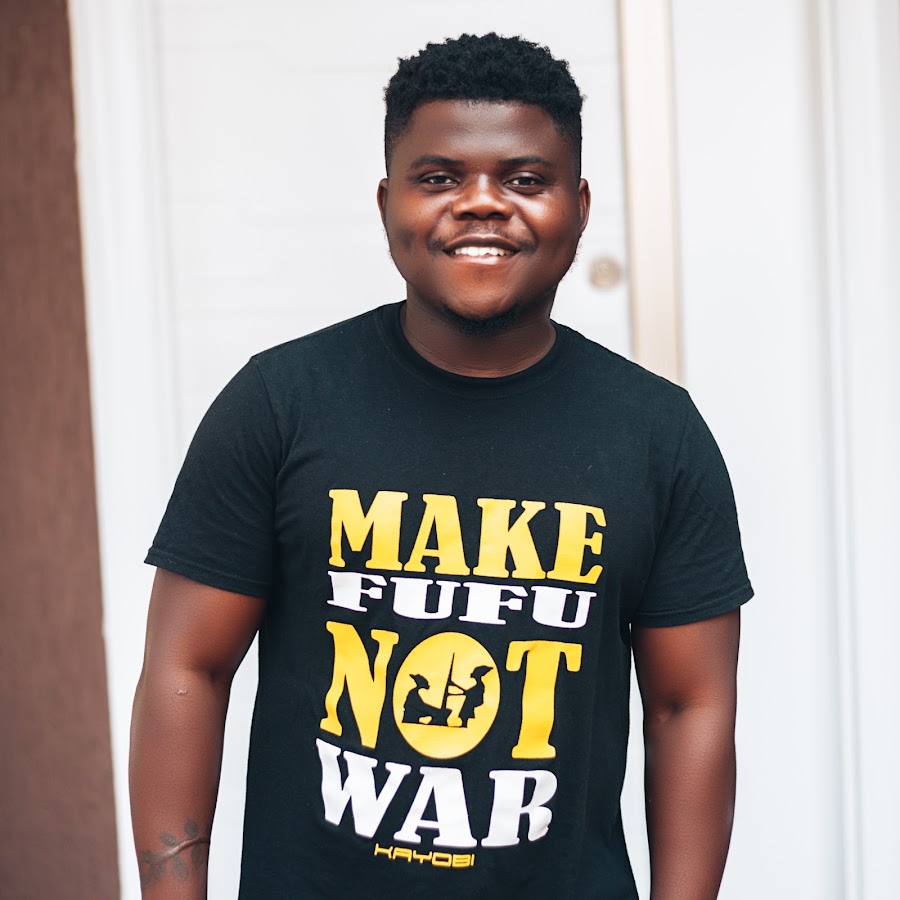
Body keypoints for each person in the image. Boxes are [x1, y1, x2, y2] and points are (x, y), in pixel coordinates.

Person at [131, 32, 752, 899]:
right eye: (439, 178)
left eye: (524, 179)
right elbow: (188, 669)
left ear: (578, 206)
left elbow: (689, 707)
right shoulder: (279, 405)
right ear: (388, 203)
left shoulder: (658, 435)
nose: (482, 204)